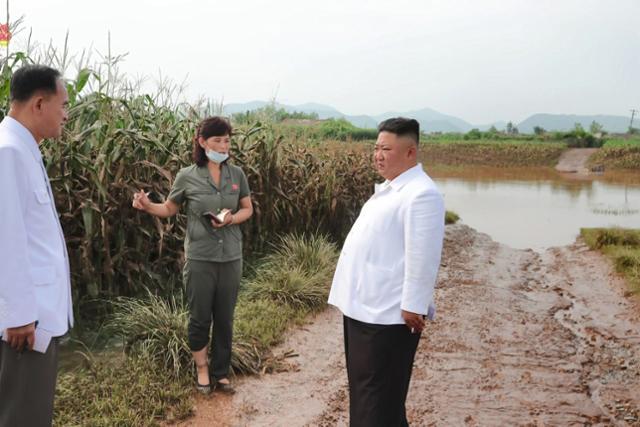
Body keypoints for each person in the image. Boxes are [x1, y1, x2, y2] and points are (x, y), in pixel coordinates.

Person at [328, 117, 445, 426]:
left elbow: (424, 254)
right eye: (376, 147)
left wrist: (414, 305)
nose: (378, 155)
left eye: (386, 149)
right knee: (369, 395)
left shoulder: (422, 193)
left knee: (377, 399)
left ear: (410, 152)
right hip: (364, 308)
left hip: (388, 314)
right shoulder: (392, 188)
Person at [132, 116, 252, 394]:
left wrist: (231, 219)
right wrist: (148, 206)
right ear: (202, 142)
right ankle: (202, 370)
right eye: (217, 141)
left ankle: (221, 373)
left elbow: (248, 209)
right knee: (199, 317)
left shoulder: (237, 175)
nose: (223, 146)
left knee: (225, 317)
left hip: (231, 256)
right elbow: (170, 209)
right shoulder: (187, 176)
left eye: (227, 141)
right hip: (200, 258)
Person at [0, 65, 74, 426]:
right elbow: (6, 238)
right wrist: (18, 316)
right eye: (63, 104)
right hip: (24, 327)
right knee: (22, 415)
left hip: (34, 319)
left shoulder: (24, 148)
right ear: (40, 103)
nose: (67, 114)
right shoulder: (8, 151)